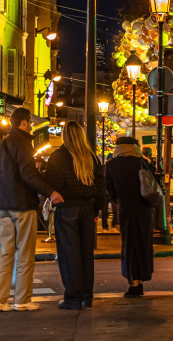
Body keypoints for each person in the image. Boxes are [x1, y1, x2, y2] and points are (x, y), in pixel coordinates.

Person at [0, 108, 62, 312]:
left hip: (1, 205)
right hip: (21, 204)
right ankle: (22, 299)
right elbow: (28, 174)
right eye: (29, 122)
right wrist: (51, 192)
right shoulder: (23, 144)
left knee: (4, 253)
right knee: (24, 254)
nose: (30, 125)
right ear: (23, 123)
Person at [44, 121, 105, 309]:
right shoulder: (91, 157)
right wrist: (97, 211)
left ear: (65, 136)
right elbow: (101, 187)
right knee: (86, 254)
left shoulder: (58, 157)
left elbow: (52, 183)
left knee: (69, 255)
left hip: (67, 208)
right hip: (87, 209)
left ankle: (73, 298)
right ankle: (87, 296)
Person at [105, 136, 155, 298]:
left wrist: (120, 199)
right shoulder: (143, 162)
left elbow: (110, 191)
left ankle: (134, 283)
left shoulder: (112, 165)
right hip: (144, 210)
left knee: (129, 245)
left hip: (126, 209)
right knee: (143, 244)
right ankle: (140, 279)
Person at [101, 152, 119, 232]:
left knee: (115, 209)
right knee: (105, 211)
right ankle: (106, 226)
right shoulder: (104, 170)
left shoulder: (110, 170)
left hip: (110, 192)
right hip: (106, 193)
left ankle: (113, 224)